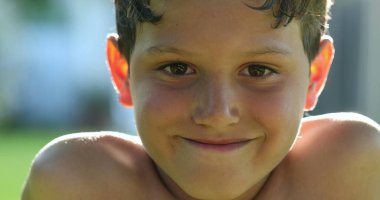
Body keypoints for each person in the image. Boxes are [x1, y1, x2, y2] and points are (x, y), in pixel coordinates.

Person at [22, 0, 380, 199]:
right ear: (122, 71)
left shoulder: (353, 172)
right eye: (177, 68)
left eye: (258, 71)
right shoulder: (78, 186)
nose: (217, 113)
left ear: (314, 76)